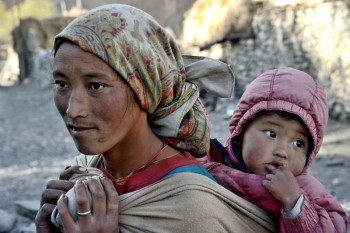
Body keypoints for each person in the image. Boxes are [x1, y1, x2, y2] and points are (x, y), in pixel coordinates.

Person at [35, 4, 278, 233]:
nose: (73, 110)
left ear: (145, 88)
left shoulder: (191, 213)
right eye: (61, 84)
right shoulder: (88, 170)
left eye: (96, 86)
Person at [201, 67, 349, 232]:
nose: (282, 152)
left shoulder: (304, 189)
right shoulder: (211, 162)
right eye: (271, 134)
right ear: (241, 132)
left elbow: (335, 227)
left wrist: (294, 204)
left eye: (298, 144)